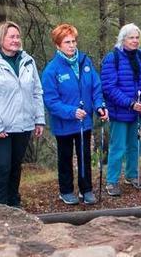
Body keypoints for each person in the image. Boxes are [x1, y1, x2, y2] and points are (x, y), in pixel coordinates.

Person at [0, 21, 46, 207]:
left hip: (23, 125)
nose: (16, 40)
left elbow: (37, 92)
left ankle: (14, 204)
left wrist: (39, 119)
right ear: (1, 39)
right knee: (2, 167)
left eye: (17, 36)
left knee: (15, 167)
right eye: (11, 37)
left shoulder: (27, 62)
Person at [41, 23, 106, 205]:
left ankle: (86, 190)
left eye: (73, 41)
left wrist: (99, 105)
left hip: (84, 121)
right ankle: (66, 190)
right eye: (67, 42)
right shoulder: (51, 70)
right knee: (65, 157)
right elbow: (51, 101)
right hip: (64, 124)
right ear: (58, 45)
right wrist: (71, 112)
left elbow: (96, 87)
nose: (72, 45)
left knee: (84, 155)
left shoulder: (85, 62)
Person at [100, 23, 141, 196]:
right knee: (118, 147)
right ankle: (112, 181)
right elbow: (109, 88)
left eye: (137, 37)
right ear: (123, 39)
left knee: (134, 145)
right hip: (119, 111)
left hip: (136, 111)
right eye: (131, 37)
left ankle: (132, 175)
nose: (135, 41)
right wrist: (129, 103)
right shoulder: (112, 58)